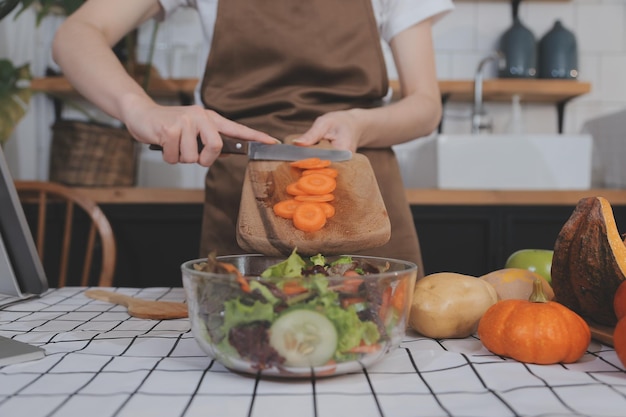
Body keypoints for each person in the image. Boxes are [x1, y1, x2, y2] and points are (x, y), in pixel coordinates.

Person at [52, 0, 454, 276]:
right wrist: (140, 110)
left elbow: (426, 104)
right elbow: (77, 34)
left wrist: (358, 124)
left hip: (359, 198)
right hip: (247, 201)